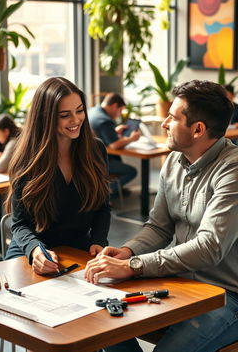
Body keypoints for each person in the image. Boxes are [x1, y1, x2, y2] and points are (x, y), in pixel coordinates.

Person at [85, 80, 238, 352]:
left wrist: (135, 266)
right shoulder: (173, 161)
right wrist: (128, 251)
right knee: (102, 324)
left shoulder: (232, 170)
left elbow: (209, 247)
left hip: (227, 296)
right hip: (181, 283)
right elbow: (158, 227)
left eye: (172, 117)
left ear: (198, 129)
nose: (164, 123)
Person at [5, 77, 110, 276]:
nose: (76, 120)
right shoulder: (26, 158)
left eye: (79, 111)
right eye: (65, 115)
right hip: (32, 250)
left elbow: (103, 208)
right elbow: (19, 224)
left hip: (78, 249)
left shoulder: (96, 150)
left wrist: (98, 241)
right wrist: (35, 250)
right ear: (46, 117)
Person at [88, 93, 140, 197]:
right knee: (131, 171)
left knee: (118, 160)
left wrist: (115, 131)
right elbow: (114, 145)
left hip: (90, 157)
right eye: (120, 110)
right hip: (98, 161)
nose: (119, 114)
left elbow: (99, 133)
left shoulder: (93, 111)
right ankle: (105, 193)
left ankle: (115, 191)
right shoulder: (104, 120)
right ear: (115, 106)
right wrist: (132, 138)